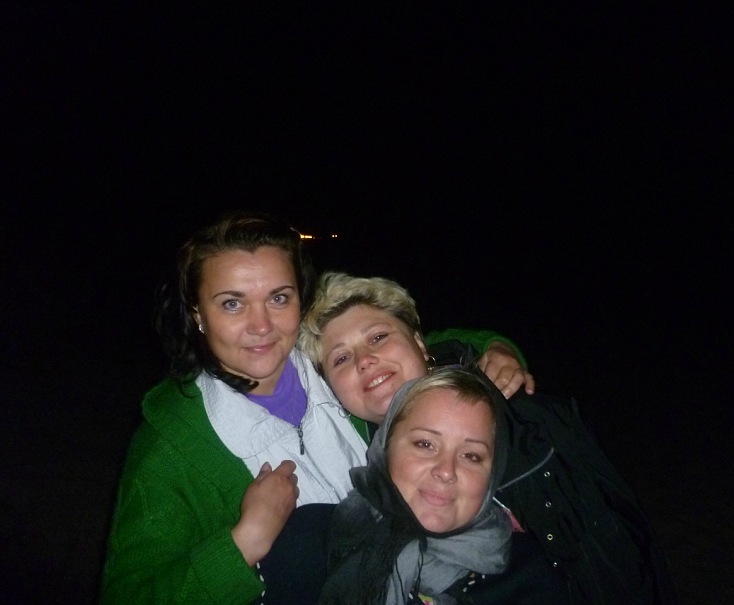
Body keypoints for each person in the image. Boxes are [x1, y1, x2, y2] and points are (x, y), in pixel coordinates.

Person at [100, 210, 534, 604]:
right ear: (198, 314)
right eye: (233, 303)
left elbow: (412, 350)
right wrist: (242, 543)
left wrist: (495, 348)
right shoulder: (171, 449)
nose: (261, 326)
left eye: (279, 298)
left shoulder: (332, 369)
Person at [298, 270, 679, 604]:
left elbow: (620, 548)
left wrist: (495, 345)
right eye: (341, 358)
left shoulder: (525, 419)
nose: (364, 359)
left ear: (419, 342)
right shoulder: (352, 460)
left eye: (379, 337)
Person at [319, 368, 512, 605]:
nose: (446, 471)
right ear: (386, 447)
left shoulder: (531, 579)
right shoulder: (309, 543)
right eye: (425, 444)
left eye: (471, 456)